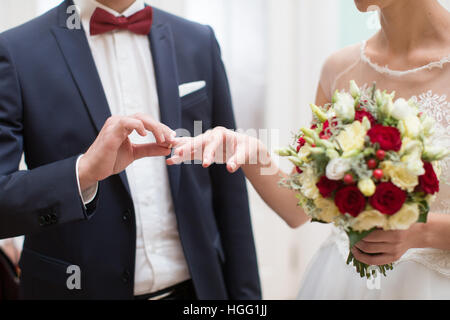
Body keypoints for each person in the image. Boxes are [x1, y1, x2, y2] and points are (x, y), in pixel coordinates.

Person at [169, 0, 450, 299]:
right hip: (342, 284)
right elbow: (298, 208)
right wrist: (252, 154)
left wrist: (421, 232)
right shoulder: (340, 69)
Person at [0, 0, 260, 299]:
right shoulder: (17, 50)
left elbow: (230, 190)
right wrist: (82, 172)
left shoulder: (198, 40)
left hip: (197, 293)